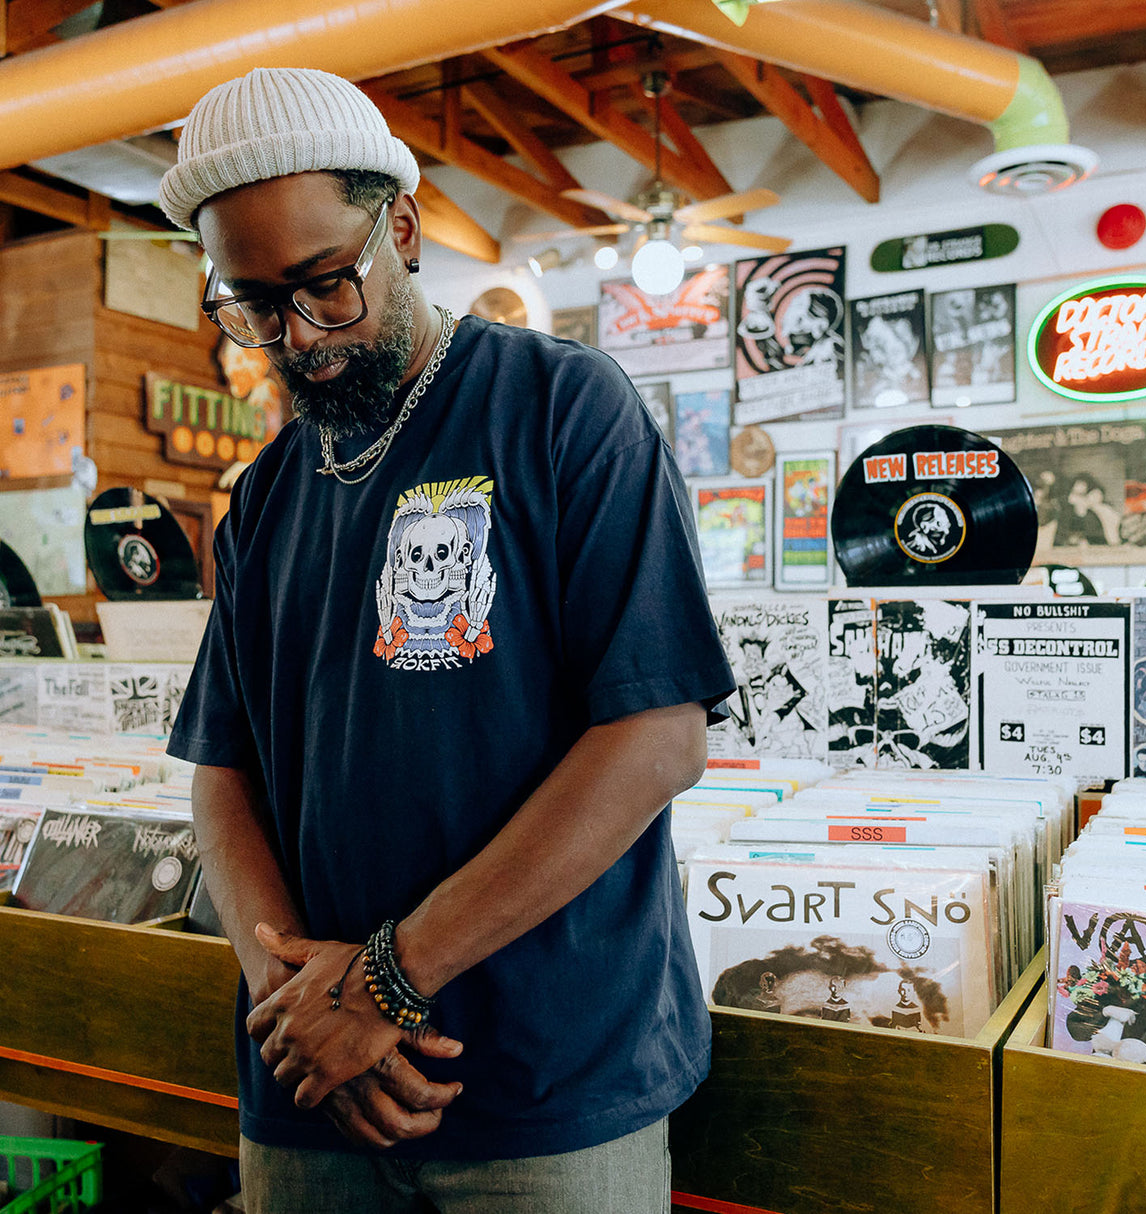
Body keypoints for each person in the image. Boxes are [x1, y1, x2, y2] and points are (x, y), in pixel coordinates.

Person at [159, 67, 735, 1213]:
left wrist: (381, 982)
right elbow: (221, 772)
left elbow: (656, 735)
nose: (300, 340)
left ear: (404, 227)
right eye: (257, 305)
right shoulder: (266, 488)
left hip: (542, 1080)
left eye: (325, 285)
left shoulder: (565, 407)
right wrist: (295, 1000)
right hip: (310, 1084)